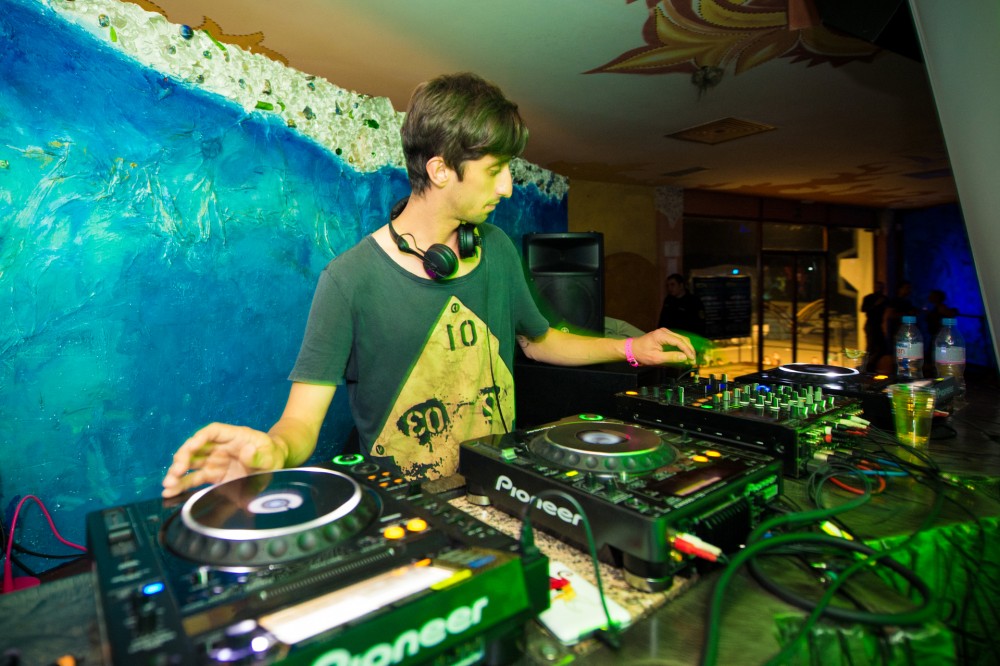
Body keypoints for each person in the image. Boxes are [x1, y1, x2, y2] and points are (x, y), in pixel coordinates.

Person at [161, 72, 695, 498]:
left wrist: (632, 348)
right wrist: (273, 452)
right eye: (496, 169)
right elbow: (300, 422)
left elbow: (541, 341)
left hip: (498, 488)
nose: (509, 187)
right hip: (409, 508)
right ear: (441, 170)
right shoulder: (349, 280)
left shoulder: (497, 249)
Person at [860, 281, 887, 370]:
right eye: (877, 287)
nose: (879, 289)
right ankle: (866, 366)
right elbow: (863, 309)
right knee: (871, 346)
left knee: (881, 347)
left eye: (881, 287)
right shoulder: (869, 298)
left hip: (878, 325)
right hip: (871, 324)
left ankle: (870, 365)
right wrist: (875, 304)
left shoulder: (884, 299)